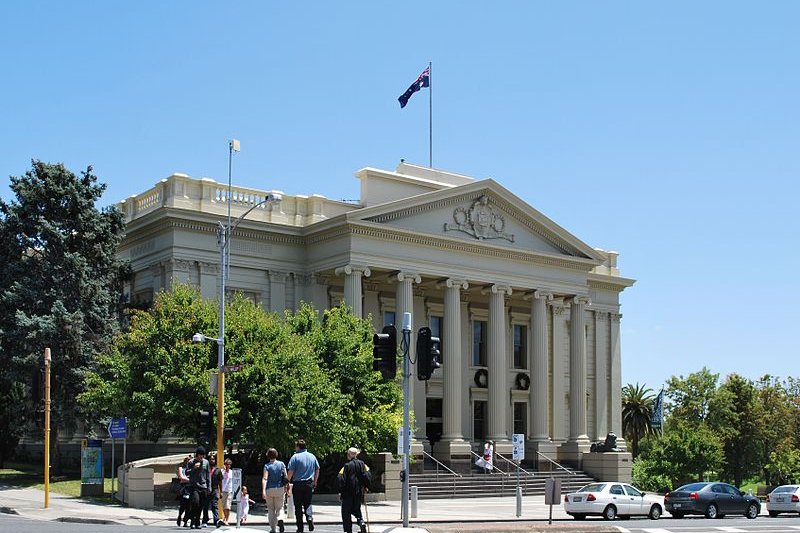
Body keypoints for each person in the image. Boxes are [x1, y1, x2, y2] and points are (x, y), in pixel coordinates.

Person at [287, 438, 320, 533]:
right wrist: (315, 481)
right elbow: (317, 469)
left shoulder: (295, 457)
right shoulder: (312, 456)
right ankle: (309, 517)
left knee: (298, 507)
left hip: (298, 484)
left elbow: (291, 471)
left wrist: (287, 482)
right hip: (309, 483)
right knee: (308, 503)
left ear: (298, 447)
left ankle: (300, 528)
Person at [337, 447, 371, 533]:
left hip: (347, 493)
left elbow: (340, 478)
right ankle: (361, 522)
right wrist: (366, 486)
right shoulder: (363, 464)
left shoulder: (346, 466)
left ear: (349, 455)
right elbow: (367, 475)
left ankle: (348, 530)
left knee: (346, 512)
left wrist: (341, 491)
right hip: (358, 492)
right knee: (356, 509)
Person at [262, 448, 289, 533]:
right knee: (280, 508)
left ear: (268, 456)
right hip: (280, 489)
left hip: (269, 489)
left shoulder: (267, 466)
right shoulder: (281, 464)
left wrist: (263, 490)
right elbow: (286, 477)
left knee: (270, 509)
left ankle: (273, 529)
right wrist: (287, 488)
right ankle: (280, 519)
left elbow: (265, 478)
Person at [188, 447, 211, 530]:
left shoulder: (206, 462)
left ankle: (197, 522)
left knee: (201, 505)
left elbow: (208, 475)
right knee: (195, 503)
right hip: (195, 486)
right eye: (200, 455)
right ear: (197, 455)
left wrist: (209, 487)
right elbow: (187, 473)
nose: (201, 457)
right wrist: (193, 468)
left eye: (202, 455)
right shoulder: (191, 462)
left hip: (204, 486)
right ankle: (192, 521)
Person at [176, 455, 192, 527]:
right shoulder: (181, 468)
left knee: (189, 507)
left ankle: (185, 521)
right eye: (187, 460)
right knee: (183, 506)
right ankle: (180, 516)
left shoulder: (192, 469)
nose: (188, 462)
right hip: (184, 489)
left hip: (190, 489)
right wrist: (191, 480)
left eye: (189, 461)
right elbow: (181, 478)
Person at [208, 456, 223, 527]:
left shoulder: (218, 470)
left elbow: (220, 482)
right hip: (206, 489)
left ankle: (216, 520)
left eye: (213, 459)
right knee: (205, 505)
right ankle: (205, 520)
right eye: (210, 459)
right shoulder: (206, 469)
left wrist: (221, 491)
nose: (212, 460)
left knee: (214, 505)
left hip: (215, 489)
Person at [220, 458, 234, 525]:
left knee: (228, 506)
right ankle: (225, 518)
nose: (228, 466)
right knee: (224, 506)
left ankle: (227, 520)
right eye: (226, 464)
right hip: (223, 490)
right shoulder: (222, 472)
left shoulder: (232, 472)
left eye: (229, 464)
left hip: (229, 491)